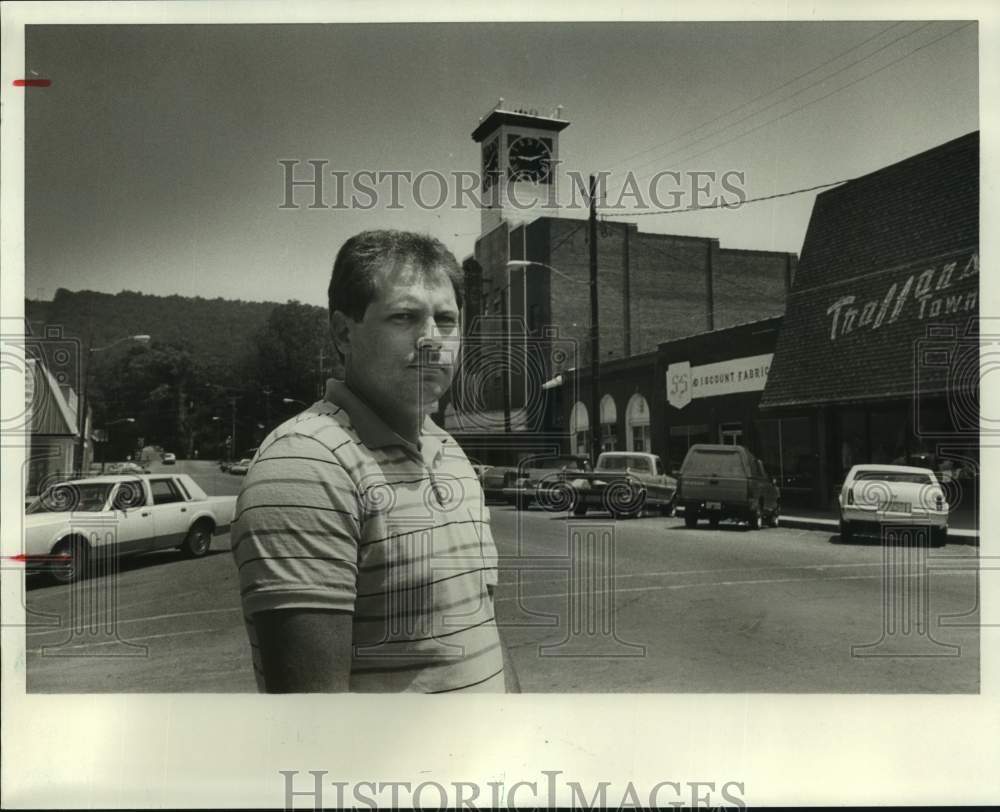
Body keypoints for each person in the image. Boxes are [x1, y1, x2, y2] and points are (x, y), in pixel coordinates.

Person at [232, 229, 519, 693]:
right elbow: (313, 724)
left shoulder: (450, 453)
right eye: (404, 317)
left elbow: (483, 630)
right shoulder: (306, 464)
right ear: (344, 333)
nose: (432, 341)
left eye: (446, 320)